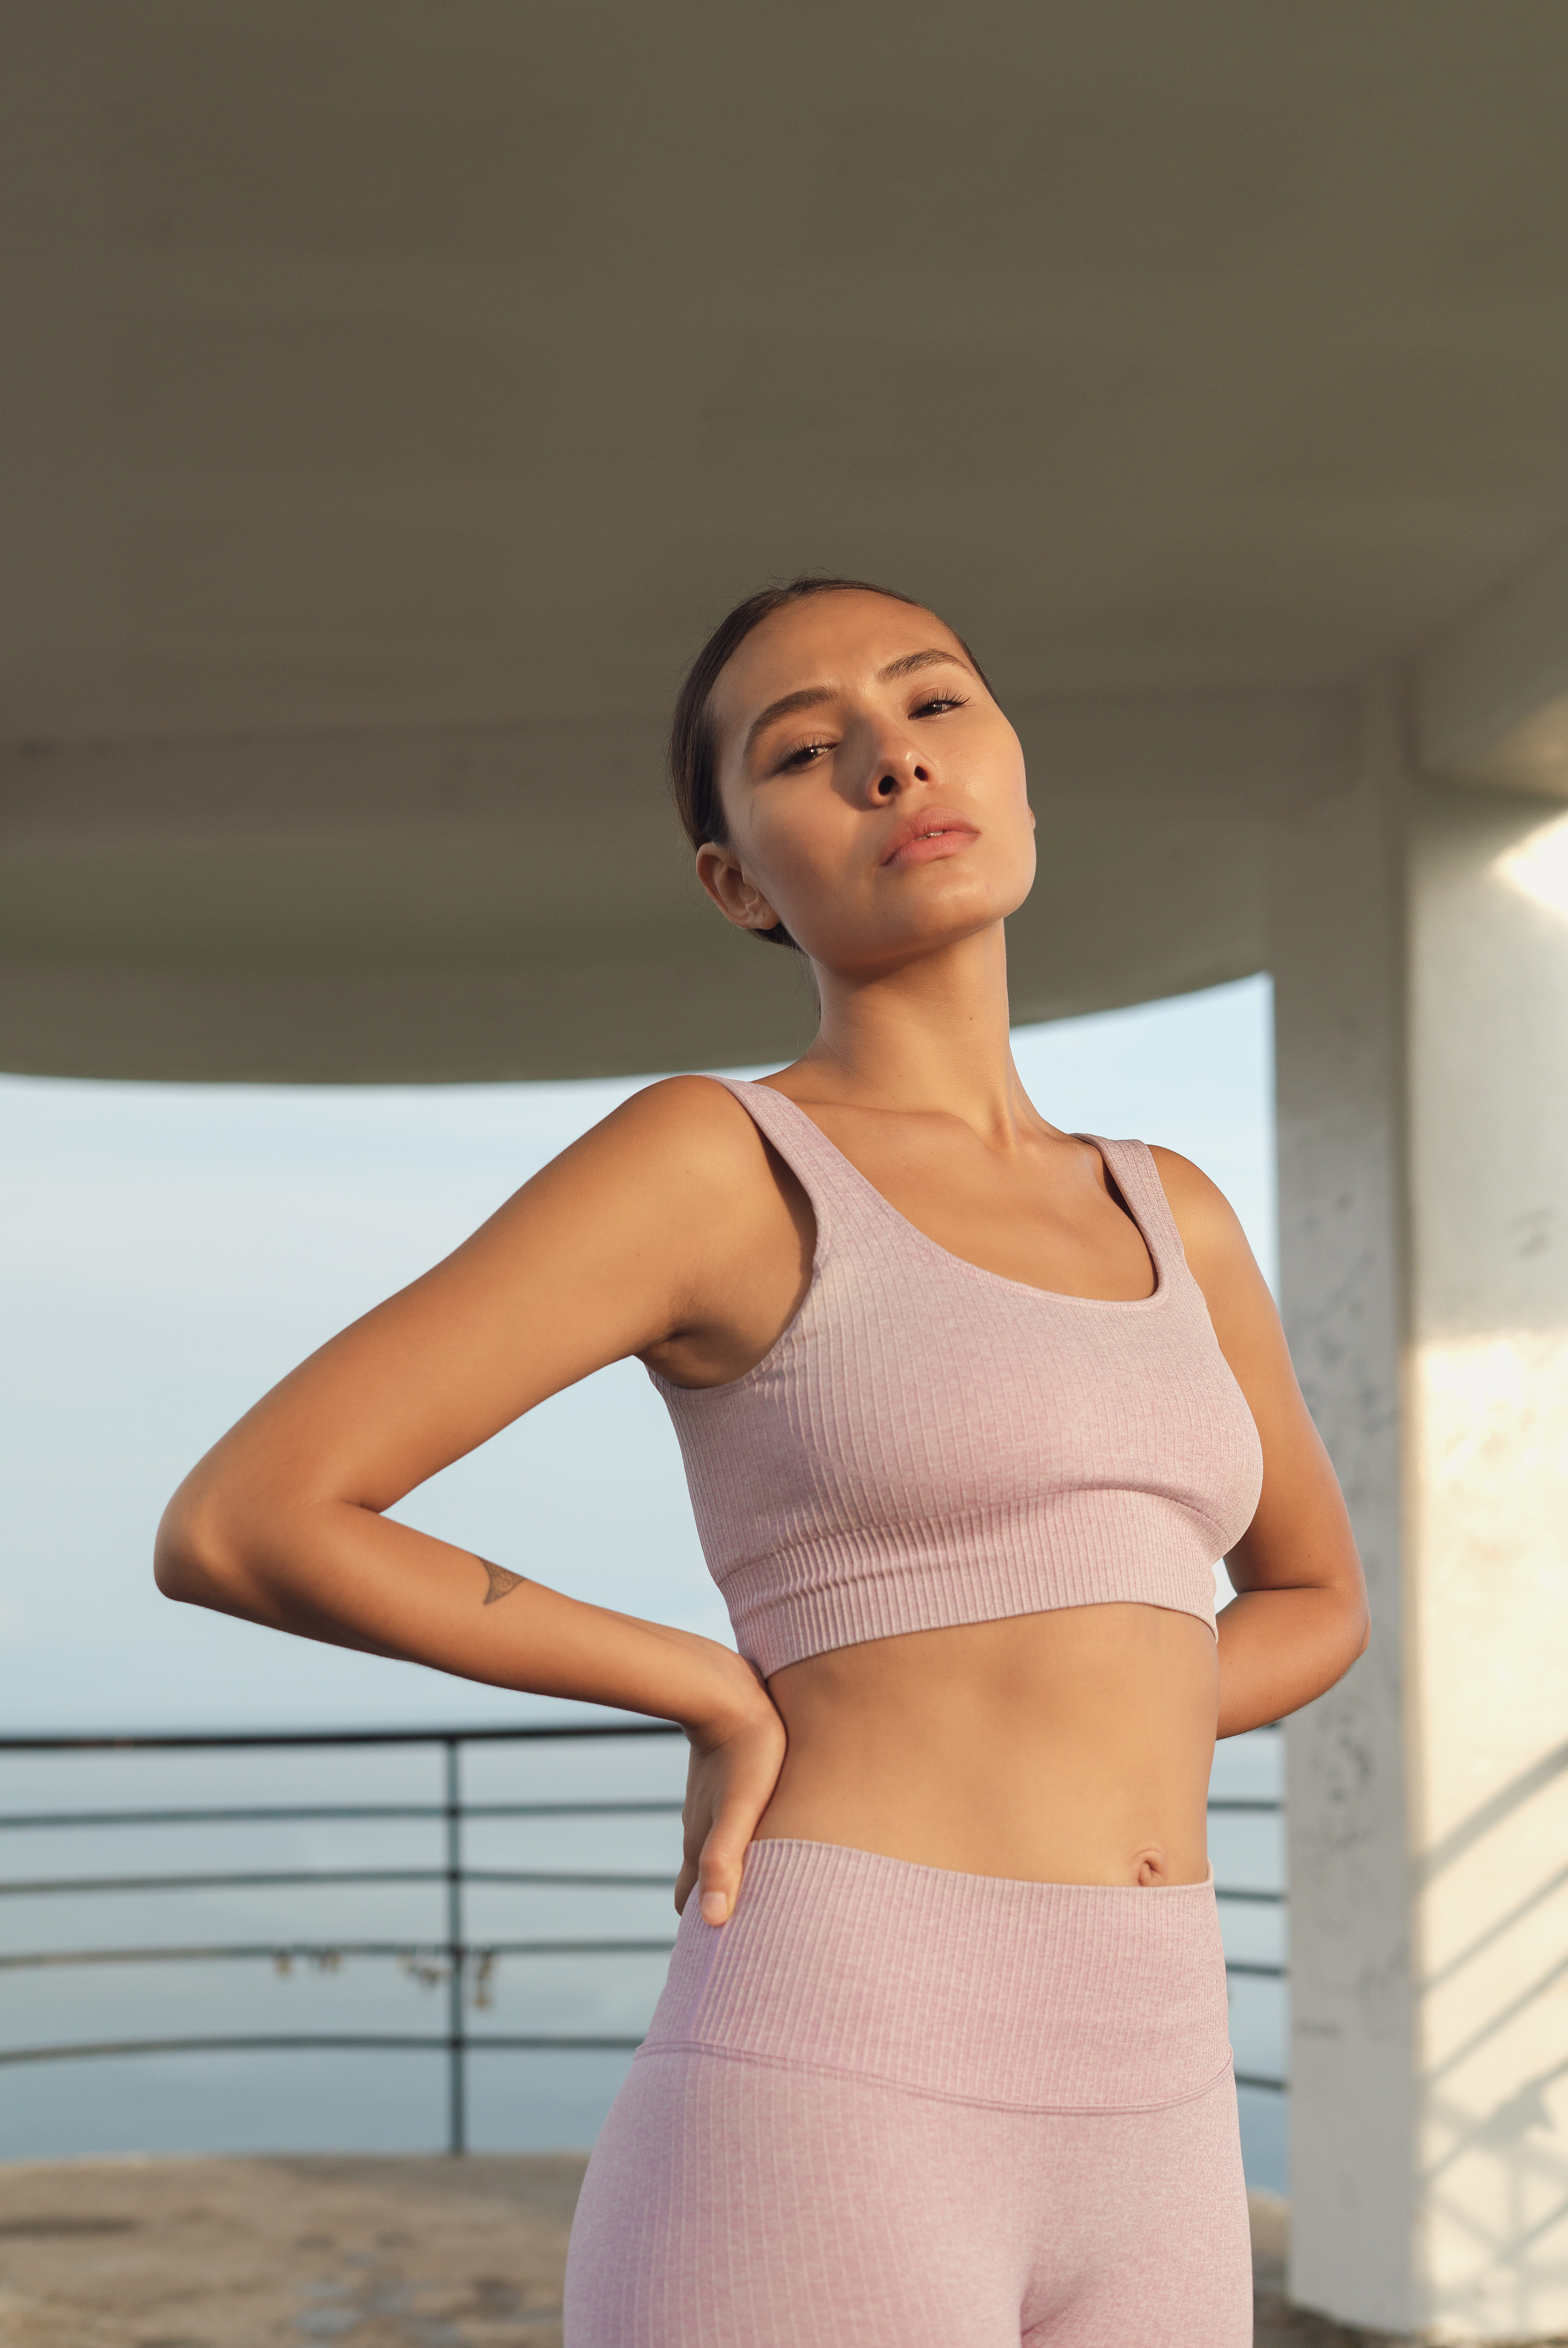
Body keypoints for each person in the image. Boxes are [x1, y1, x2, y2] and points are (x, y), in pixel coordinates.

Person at [156, 574, 1369, 2346]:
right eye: (805, 750)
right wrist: (710, 1690)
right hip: (839, 2069)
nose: (889, 760)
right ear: (735, 877)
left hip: (1162, 2097)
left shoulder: (1167, 1205)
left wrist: (1102, 1701)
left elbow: (1316, 1594)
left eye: (933, 703)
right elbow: (249, 1517)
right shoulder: (719, 1161)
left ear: (1021, 773)